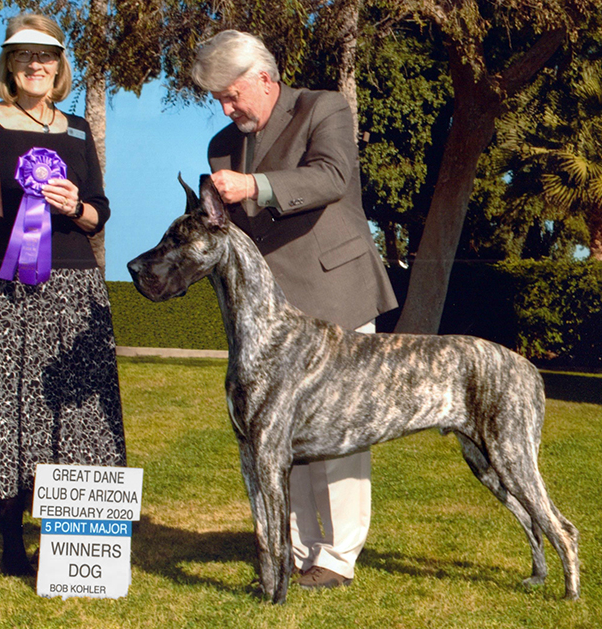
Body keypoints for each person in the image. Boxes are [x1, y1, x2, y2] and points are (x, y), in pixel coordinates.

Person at [192, 30, 398, 590]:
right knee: (281, 433)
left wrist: (254, 184)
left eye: (232, 96)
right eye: (219, 100)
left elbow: (331, 176)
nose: (226, 109)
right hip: (273, 317)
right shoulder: (221, 144)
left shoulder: (323, 107)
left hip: (336, 289)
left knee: (341, 428)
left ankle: (339, 555)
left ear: (264, 78)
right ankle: (300, 548)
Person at [0, 13, 126, 576]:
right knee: (5, 407)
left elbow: (99, 211)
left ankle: (71, 542)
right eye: (23, 55)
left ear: (59, 65)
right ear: (9, 64)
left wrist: (76, 207)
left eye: (45, 55)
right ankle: (11, 539)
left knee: (77, 411)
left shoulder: (77, 130)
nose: (35, 64)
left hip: (74, 283)